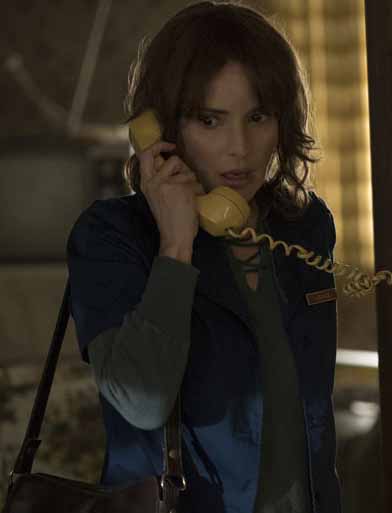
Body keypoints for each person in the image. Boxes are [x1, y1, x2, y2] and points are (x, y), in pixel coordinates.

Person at [66, 2, 340, 512]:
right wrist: (176, 245)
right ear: (162, 128)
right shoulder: (111, 237)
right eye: (210, 120)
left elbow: (310, 413)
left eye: (258, 117)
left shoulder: (305, 225)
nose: (240, 148)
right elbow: (142, 403)